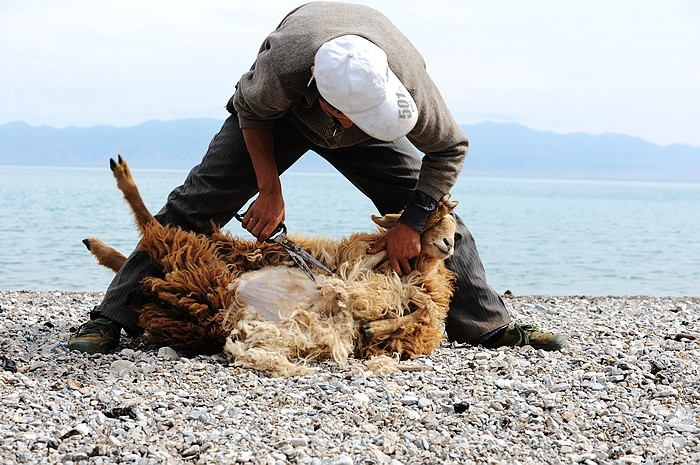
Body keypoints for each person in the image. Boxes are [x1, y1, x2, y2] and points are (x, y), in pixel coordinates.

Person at [68, 2, 565, 354]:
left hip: (375, 127)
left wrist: (410, 224)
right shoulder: (285, 63)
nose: (339, 126)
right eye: (338, 114)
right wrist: (269, 188)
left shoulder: (403, 86)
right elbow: (251, 112)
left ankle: (488, 326)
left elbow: (451, 149)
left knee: (441, 222)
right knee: (190, 210)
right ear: (313, 82)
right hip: (276, 119)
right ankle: (112, 318)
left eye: (353, 116)